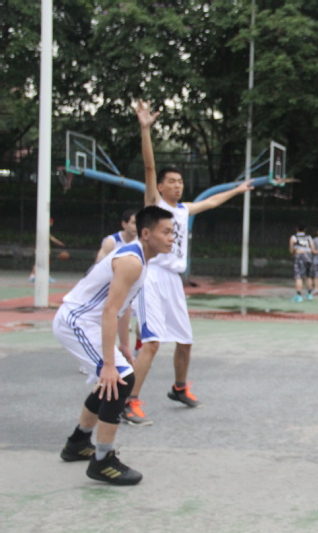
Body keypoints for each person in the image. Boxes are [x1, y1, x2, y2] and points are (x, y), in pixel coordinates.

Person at [122, 100, 253, 426]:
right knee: (152, 342)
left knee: (185, 339)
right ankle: (129, 401)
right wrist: (145, 129)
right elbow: (149, 167)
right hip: (152, 277)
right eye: (172, 181)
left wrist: (237, 190)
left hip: (173, 281)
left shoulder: (183, 210)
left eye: (180, 181)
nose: (178, 185)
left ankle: (179, 387)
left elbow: (211, 201)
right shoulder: (154, 205)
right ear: (161, 186)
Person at [55, 205, 174, 485]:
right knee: (120, 379)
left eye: (173, 233)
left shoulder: (141, 259)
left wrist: (123, 345)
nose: (172, 238)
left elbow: (123, 306)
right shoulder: (132, 261)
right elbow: (109, 311)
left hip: (89, 323)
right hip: (77, 322)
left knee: (114, 379)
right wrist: (109, 364)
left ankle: (78, 443)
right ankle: (102, 460)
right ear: (146, 233)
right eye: (166, 232)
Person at [29, 217, 66, 282]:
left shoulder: (43, 229)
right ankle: (46, 277)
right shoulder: (44, 229)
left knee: (39, 263)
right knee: (44, 263)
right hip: (42, 250)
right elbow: (51, 238)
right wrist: (59, 243)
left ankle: (32, 276)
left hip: (43, 249)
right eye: (51, 222)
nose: (52, 223)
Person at [290, 224, 316, 302]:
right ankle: (309, 294)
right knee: (308, 276)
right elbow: (313, 249)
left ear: (296, 229)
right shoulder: (309, 237)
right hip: (308, 256)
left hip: (299, 256)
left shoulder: (294, 237)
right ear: (305, 229)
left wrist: (295, 252)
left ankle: (298, 296)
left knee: (298, 276)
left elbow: (291, 250)